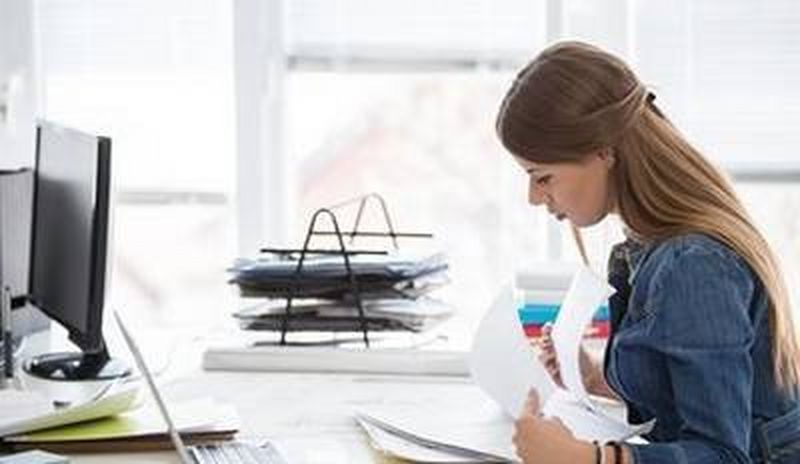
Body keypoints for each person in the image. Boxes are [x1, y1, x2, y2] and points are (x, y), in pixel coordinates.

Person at [495, 41, 800, 464]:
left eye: (541, 176)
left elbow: (724, 455)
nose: (533, 197)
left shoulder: (694, 266)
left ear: (604, 152)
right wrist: (595, 378)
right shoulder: (645, 246)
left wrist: (588, 459)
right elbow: (687, 392)